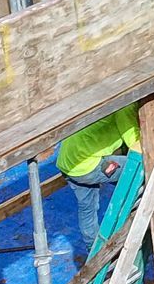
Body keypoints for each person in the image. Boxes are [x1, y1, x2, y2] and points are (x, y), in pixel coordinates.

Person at [59, 104, 141, 247]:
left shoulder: (100, 100)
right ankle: (134, 225)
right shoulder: (124, 106)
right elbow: (134, 143)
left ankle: (93, 249)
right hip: (88, 166)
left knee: (87, 209)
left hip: (68, 164)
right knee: (141, 167)